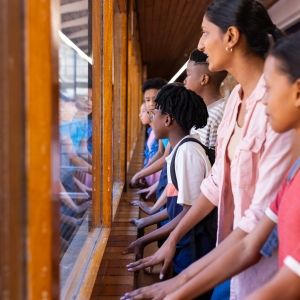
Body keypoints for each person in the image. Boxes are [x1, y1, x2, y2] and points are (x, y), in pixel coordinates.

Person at [122, 1, 294, 299]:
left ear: (230, 37)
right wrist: (172, 241)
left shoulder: (279, 112)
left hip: (267, 271)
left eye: (204, 32)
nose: (201, 43)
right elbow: (214, 184)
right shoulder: (236, 100)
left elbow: (256, 228)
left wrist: (179, 286)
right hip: (228, 256)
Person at [161, 31, 300, 300]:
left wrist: (177, 288)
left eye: (269, 89)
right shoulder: (293, 174)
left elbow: (289, 284)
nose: (264, 101)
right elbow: (248, 243)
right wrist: (176, 285)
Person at [124, 84, 216, 286]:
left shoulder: (187, 153)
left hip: (193, 244)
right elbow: (178, 206)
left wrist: (145, 239)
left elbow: (188, 212)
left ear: (167, 119)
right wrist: (146, 223)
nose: (151, 120)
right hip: (184, 238)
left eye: (154, 113)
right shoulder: (179, 150)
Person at [185, 49, 227, 149]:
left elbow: (214, 160)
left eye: (188, 74)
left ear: (204, 79)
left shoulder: (216, 116)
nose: (185, 80)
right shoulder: (200, 111)